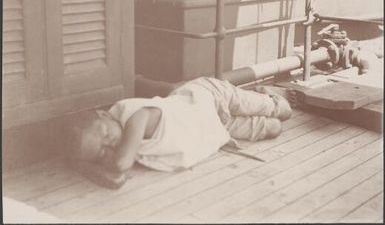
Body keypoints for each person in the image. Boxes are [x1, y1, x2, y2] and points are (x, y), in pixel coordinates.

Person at [67, 77, 297, 189]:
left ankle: (266, 94)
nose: (112, 143)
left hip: (208, 96)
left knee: (283, 111)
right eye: (102, 151)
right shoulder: (127, 146)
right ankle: (263, 100)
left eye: (106, 134)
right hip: (215, 128)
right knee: (274, 129)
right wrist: (89, 161)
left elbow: (120, 166)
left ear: (104, 114)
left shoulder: (134, 116)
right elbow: (116, 180)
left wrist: (80, 166)